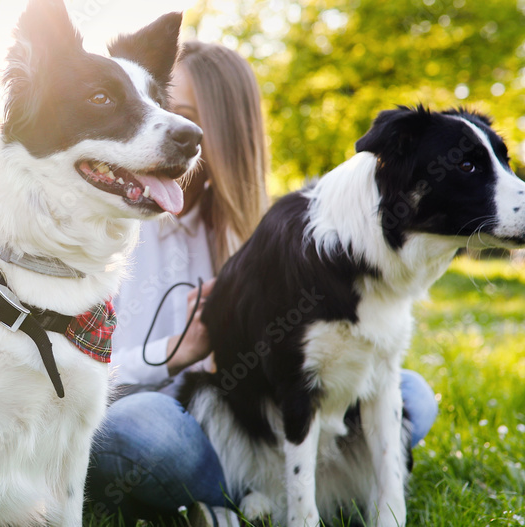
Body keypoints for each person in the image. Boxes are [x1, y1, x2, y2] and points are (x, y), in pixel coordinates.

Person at [86, 41, 439, 526]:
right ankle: (219, 495)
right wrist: (178, 350)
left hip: (252, 418)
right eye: (157, 106)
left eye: (183, 114)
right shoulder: (111, 217)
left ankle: (261, 493)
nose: (162, 124)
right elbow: (84, 379)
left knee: (412, 393)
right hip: (169, 417)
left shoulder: (259, 232)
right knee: (137, 427)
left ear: (226, 133)